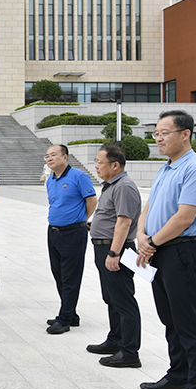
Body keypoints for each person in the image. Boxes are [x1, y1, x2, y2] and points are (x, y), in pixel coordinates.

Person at [136, 110, 196, 389]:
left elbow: (184, 218)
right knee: (171, 320)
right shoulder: (166, 169)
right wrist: (142, 235)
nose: (158, 138)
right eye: (156, 133)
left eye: (164, 133)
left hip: (182, 251)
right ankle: (178, 376)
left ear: (185, 134)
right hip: (159, 250)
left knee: (190, 324)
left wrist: (152, 242)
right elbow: (149, 206)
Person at [87, 145, 142, 368]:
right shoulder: (111, 185)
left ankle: (129, 352)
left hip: (116, 250)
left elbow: (124, 222)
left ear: (115, 165)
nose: (96, 166)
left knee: (123, 300)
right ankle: (115, 340)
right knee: (111, 298)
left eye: (100, 162)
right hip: (104, 247)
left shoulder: (124, 186)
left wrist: (114, 253)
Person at [44, 144, 97, 334]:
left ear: (65, 157)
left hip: (73, 233)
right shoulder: (51, 180)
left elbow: (92, 201)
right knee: (58, 274)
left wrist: (81, 219)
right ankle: (70, 313)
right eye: (47, 156)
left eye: (53, 155)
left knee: (70, 277)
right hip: (53, 232)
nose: (49, 158)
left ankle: (65, 319)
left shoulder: (78, 176)